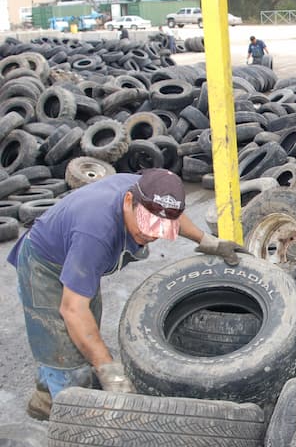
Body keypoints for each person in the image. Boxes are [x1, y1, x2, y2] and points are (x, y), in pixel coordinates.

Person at [7, 169, 248, 420]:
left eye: (159, 229)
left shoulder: (148, 190)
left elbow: (173, 215)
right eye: (146, 225)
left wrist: (209, 241)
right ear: (128, 202)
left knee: (84, 339)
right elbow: (72, 309)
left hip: (78, 256)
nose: (151, 235)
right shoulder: (95, 233)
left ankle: (45, 397)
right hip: (45, 266)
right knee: (69, 352)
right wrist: (110, 371)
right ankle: (70, 423)